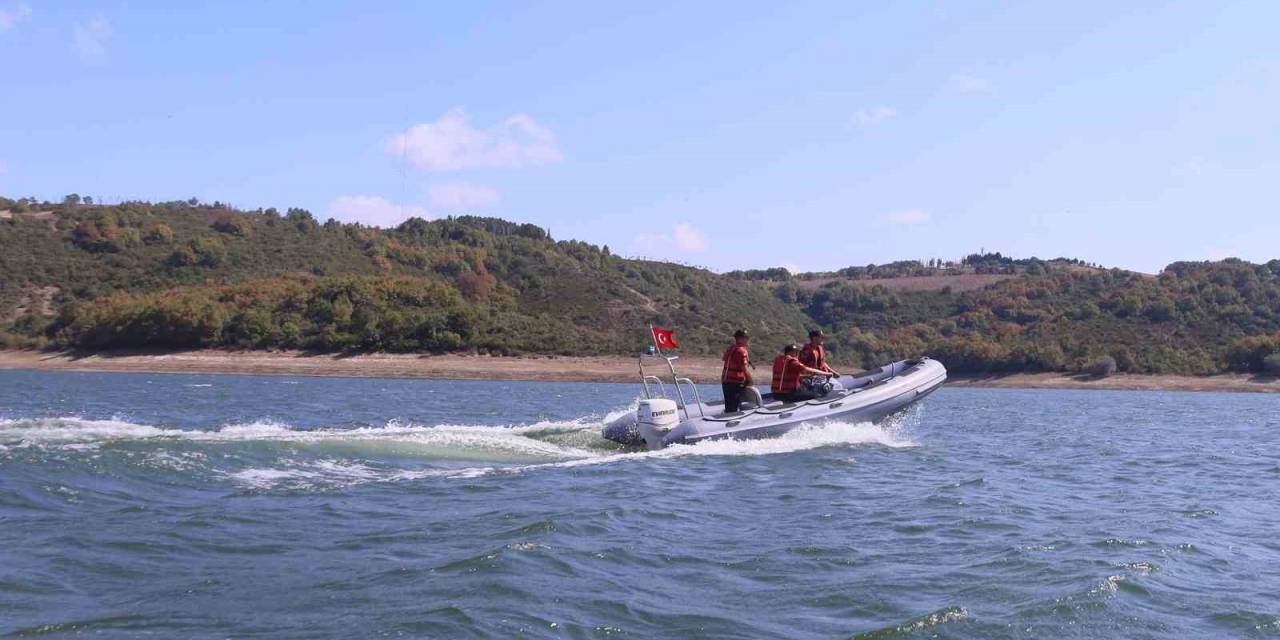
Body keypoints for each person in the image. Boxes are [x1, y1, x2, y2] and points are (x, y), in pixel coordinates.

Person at [720, 329, 753, 413]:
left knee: (729, 405)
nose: (748, 340)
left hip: (726, 381)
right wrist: (750, 380)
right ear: (740, 339)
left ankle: (729, 415)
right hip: (734, 382)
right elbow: (744, 369)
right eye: (746, 338)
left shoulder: (731, 348)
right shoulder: (741, 351)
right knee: (733, 406)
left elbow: (724, 358)